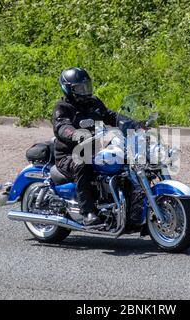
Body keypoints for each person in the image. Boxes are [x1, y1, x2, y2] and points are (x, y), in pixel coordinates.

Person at [52, 67, 143, 227]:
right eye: (80, 88)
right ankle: (87, 212)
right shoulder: (63, 107)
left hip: (94, 149)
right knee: (83, 164)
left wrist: (133, 124)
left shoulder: (93, 103)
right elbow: (62, 127)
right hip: (69, 155)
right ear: (68, 89)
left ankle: (131, 208)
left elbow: (111, 116)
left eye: (87, 86)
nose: (85, 91)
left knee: (125, 161)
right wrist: (76, 134)